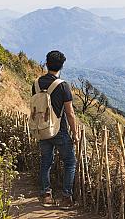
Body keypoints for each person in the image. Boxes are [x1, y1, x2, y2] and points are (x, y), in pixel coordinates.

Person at [32, 50, 79, 209]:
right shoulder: (63, 86)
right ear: (62, 66)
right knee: (70, 162)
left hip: (42, 129)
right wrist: (75, 133)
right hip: (59, 130)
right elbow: (70, 113)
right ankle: (66, 198)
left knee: (46, 161)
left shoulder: (36, 84)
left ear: (46, 63)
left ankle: (46, 195)